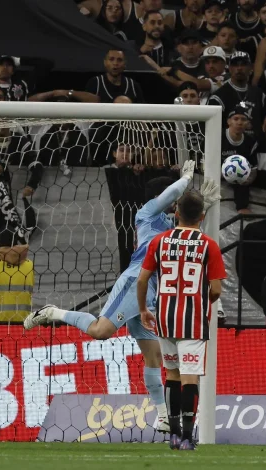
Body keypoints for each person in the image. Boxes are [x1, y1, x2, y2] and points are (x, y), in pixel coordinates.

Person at [23, 162, 219, 433]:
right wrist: (186, 178)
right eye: (172, 198)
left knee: (154, 359)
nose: (175, 202)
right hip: (134, 283)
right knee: (101, 331)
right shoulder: (147, 215)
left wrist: (202, 207)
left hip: (153, 295)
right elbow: (170, 197)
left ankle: (162, 416)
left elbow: (191, 229)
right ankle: (54, 312)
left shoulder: (175, 226)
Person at [138, 190, 226, 451]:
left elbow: (143, 279)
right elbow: (218, 289)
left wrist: (144, 309)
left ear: (175, 214)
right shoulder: (209, 244)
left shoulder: (160, 241)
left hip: (164, 318)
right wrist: (201, 304)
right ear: (202, 216)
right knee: (190, 378)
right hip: (193, 321)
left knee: (172, 375)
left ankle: (174, 435)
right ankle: (188, 436)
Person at [208, 51, 266, 135]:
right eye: (235, 65)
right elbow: (213, 130)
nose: (239, 68)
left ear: (251, 68)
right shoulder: (219, 96)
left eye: (243, 64)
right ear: (230, 69)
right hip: (230, 145)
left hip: (255, 145)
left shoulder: (259, 94)